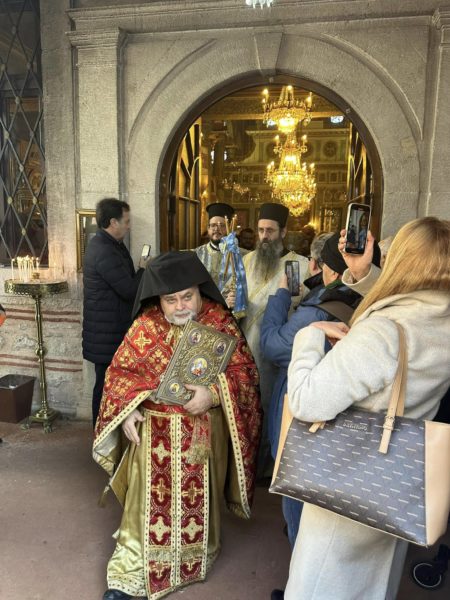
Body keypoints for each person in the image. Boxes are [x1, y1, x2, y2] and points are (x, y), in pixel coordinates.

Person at [282, 217, 450, 600]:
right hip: (396, 479)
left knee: (324, 584)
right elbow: (412, 307)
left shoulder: (382, 332)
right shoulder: (441, 319)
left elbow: (307, 402)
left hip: (349, 478)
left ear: (404, 263)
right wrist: (363, 274)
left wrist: (308, 338)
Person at [94, 251, 262, 600]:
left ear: (200, 291)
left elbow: (246, 376)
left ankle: (193, 558)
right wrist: (127, 410)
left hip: (201, 434)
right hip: (152, 435)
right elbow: (119, 374)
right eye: (171, 300)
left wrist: (213, 395)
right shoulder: (146, 325)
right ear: (159, 299)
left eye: (188, 296)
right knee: (144, 510)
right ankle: (131, 568)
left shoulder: (219, 323)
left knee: (195, 507)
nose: (181, 306)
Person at [261, 232, 375, 553]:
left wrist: (281, 295)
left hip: (305, 419)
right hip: (347, 417)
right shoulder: (368, 299)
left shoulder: (317, 313)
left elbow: (272, 345)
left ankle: (300, 562)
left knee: (298, 496)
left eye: (320, 263)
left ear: (333, 271)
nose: (315, 267)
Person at [241, 202, 309, 476]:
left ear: (283, 232)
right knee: (247, 408)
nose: (264, 236)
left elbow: (299, 307)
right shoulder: (246, 261)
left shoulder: (296, 264)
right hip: (246, 348)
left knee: (271, 407)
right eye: (261, 230)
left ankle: (268, 468)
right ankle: (246, 464)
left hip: (276, 353)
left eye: (270, 230)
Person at [82, 198, 146, 425]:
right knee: (104, 387)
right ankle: (99, 434)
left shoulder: (112, 244)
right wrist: (143, 269)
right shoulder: (104, 250)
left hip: (109, 330)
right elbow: (128, 290)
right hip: (105, 334)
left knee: (111, 384)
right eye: (126, 221)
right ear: (113, 222)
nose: (129, 226)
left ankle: (109, 431)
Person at [194, 202, 235, 287]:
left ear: (229, 228)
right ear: (208, 228)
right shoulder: (196, 254)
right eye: (213, 225)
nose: (216, 229)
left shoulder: (241, 255)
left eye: (222, 225)